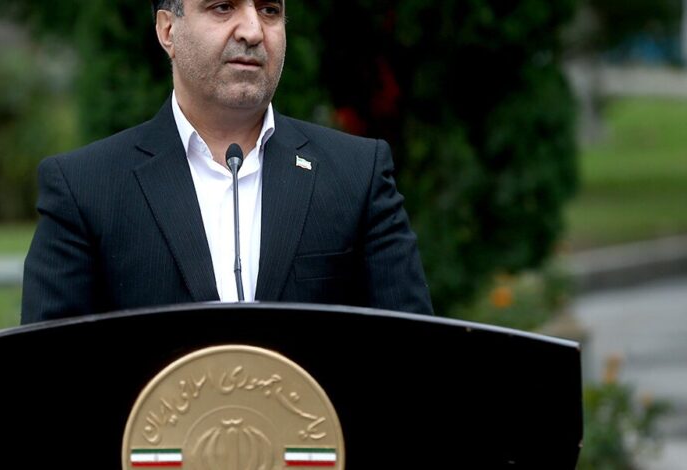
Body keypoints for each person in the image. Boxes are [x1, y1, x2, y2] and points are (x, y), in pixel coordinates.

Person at [21, 0, 433, 323]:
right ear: (168, 30)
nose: (253, 31)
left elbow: (411, 350)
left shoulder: (357, 174)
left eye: (269, 10)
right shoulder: (86, 188)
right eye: (223, 7)